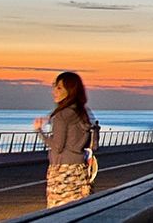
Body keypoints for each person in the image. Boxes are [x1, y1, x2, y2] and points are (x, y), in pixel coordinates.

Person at [33, 71, 95, 208]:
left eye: (59, 87)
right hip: (79, 170)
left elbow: (57, 146)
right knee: (79, 210)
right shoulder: (83, 112)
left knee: (58, 212)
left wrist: (39, 131)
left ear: (70, 90)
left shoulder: (62, 115)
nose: (54, 91)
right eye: (54, 86)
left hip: (62, 172)